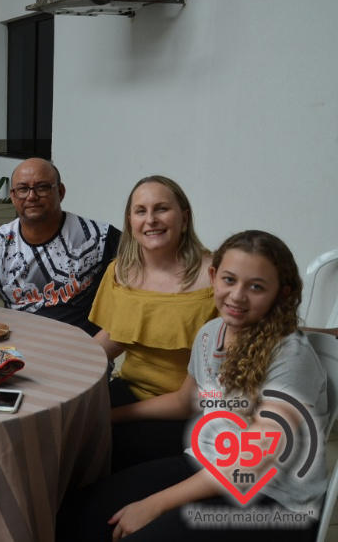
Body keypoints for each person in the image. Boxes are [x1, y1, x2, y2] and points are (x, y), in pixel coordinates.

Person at [57, 230, 326, 542]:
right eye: (229, 280)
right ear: (213, 277)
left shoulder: (290, 353)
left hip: (277, 500)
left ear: (281, 293)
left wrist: (154, 504)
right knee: (78, 515)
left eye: (256, 287)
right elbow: (186, 401)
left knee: (140, 533)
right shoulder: (212, 332)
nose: (237, 295)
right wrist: (110, 416)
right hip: (209, 465)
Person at [90, 176, 217, 471]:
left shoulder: (215, 277)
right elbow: (115, 336)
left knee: (114, 453)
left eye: (161, 209)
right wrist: (63, 369)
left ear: (184, 219)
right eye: (141, 211)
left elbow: (193, 398)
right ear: (131, 222)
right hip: (128, 387)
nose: (151, 220)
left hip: (185, 411)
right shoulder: (121, 271)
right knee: (68, 430)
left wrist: (112, 416)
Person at [0, 158, 120, 335]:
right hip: (21, 345)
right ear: (12, 196)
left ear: (61, 191)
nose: (31, 196)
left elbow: (139, 280)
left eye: (42, 187)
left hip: (81, 346)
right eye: (22, 189)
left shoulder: (98, 237)